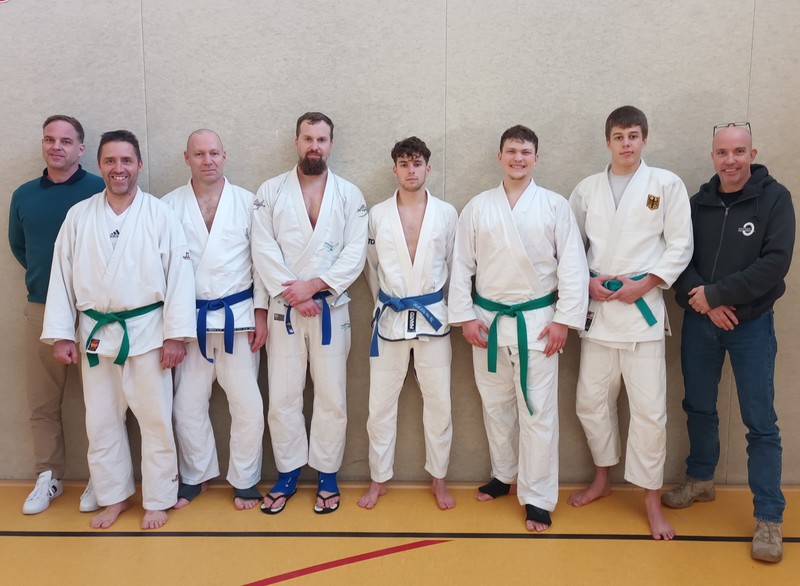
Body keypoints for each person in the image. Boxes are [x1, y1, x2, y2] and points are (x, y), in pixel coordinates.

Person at [41, 130, 196, 530]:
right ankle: (115, 497)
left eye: (126, 160)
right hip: (95, 335)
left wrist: (176, 336)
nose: (118, 168)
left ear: (139, 165)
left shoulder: (160, 214)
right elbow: (61, 276)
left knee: (156, 420)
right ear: (100, 165)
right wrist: (62, 333)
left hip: (148, 333)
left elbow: (180, 277)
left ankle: (159, 498)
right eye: (110, 161)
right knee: (101, 422)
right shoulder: (79, 216)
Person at [664, 123, 794, 562]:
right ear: (713, 156)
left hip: (750, 325)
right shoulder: (696, 204)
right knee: (698, 406)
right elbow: (677, 259)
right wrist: (705, 301)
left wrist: (719, 295)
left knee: (761, 422)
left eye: (739, 151)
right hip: (701, 323)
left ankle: (769, 519)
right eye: (722, 152)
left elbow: (775, 264)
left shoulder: (775, 199)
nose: (730, 160)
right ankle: (701, 478)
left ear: (752, 153)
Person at [448, 125, 589, 531]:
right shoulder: (478, 207)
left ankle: (538, 497)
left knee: (537, 412)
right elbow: (461, 265)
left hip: (538, 324)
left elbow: (573, 267)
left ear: (536, 158)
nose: (518, 158)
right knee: (495, 407)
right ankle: (503, 474)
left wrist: (564, 320)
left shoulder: (555, 205)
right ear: (500, 156)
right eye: (511, 151)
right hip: (487, 323)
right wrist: (465, 316)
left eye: (525, 152)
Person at [567, 106, 693, 540]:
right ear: (607, 141)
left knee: (650, 413)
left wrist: (647, 282)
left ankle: (651, 500)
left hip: (642, 315)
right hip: (600, 312)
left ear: (644, 139)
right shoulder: (586, 190)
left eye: (633, 136)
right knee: (590, 401)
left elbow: (680, 244)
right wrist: (586, 280)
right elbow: (570, 247)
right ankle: (602, 477)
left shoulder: (665, 185)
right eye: (619, 136)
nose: (626, 144)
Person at [251, 112, 368, 515]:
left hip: (330, 308)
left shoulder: (349, 194)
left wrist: (314, 286)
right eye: (307, 138)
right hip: (285, 309)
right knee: (283, 396)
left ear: (330, 144)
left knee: (332, 396)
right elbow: (262, 249)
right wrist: (295, 294)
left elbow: (355, 254)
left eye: (321, 139)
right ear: (296, 142)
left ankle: (327, 474)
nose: (314, 146)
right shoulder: (270, 191)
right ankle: (287, 473)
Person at [163, 129, 268, 510]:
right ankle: (196, 475)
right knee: (186, 407)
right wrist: (171, 329)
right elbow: (163, 270)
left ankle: (245, 480)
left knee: (248, 406)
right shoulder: (168, 205)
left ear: (225, 156)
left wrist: (261, 314)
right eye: (199, 154)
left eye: (213, 153)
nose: (207, 160)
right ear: (186, 158)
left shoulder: (248, 203)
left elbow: (262, 264)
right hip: (189, 322)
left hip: (238, 320)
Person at [8, 115, 105, 515]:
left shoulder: (100, 189)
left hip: (93, 313)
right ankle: (48, 476)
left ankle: (104, 476)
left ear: (81, 148)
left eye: (66, 141)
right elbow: (20, 248)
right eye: (50, 139)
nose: (56, 147)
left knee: (102, 400)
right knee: (43, 402)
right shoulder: (24, 195)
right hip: (42, 309)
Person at [358, 137, 457, 511]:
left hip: (434, 321)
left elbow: (455, 266)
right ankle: (378, 479)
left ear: (428, 168)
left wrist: (443, 304)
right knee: (380, 406)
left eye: (417, 164)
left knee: (440, 405)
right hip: (390, 319)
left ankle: (439, 479)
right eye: (404, 164)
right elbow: (371, 268)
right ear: (394, 169)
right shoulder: (377, 214)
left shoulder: (446, 213)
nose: (411, 170)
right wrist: (387, 301)